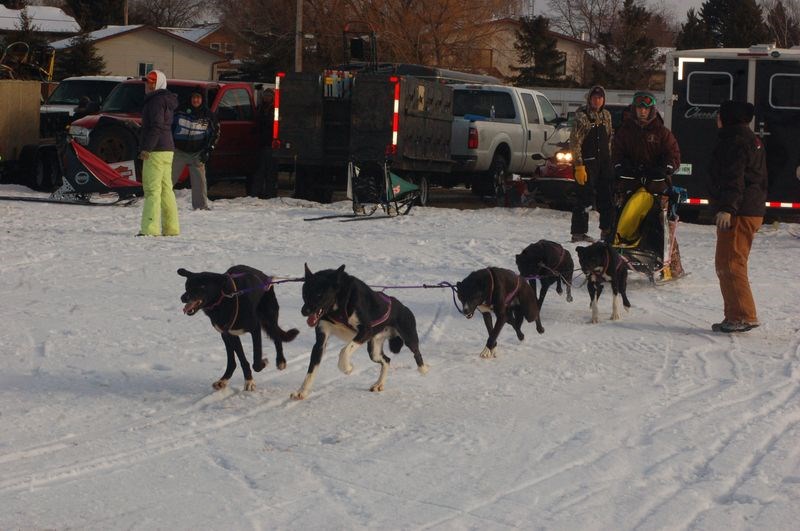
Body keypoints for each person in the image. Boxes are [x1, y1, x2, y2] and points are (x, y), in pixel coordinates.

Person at [709, 100, 767, 333]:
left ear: (728, 117)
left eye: (720, 115)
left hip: (740, 212)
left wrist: (728, 208)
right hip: (748, 209)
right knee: (725, 263)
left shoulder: (735, 141)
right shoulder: (747, 138)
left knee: (731, 264)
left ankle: (744, 315)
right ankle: (734, 314)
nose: (717, 119)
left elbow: (735, 177)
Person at [612, 91, 684, 278]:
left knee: (662, 225)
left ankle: (672, 266)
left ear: (651, 110)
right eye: (639, 108)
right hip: (630, 184)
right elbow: (616, 154)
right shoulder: (625, 132)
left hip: (657, 187)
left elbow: (674, 155)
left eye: (645, 108)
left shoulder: (662, 132)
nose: (642, 112)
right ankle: (613, 259)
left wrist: (665, 168)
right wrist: (622, 167)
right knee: (619, 221)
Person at [568, 85, 614, 242]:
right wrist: (578, 165)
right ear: (590, 99)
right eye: (595, 98)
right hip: (586, 164)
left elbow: (609, 139)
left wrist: (610, 160)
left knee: (606, 198)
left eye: (600, 98)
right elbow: (575, 142)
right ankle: (579, 233)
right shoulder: (582, 117)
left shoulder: (607, 116)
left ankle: (606, 231)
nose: (597, 101)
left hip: (604, 164)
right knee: (584, 199)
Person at [138, 70, 179, 236]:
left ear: (159, 83)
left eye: (152, 82)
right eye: (148, 81)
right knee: (166, 189)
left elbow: (156, 125)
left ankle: (150, 228)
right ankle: (171, 228)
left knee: (151, 190)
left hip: (156, 150)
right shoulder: (167, 100)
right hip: (167, 148)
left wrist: (147, 147)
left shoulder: (155, 101)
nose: (149, 85)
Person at [171, 87, 219, 209]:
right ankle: (159, 202)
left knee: (200, 182)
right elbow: (169, 128)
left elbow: (215, 134)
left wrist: (208, 150)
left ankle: (201, 207)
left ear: (202, 99)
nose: (196, 100)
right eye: (193, 97)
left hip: (198, 153)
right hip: (179, 151)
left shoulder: (208, 115)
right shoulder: (179, 112)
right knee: (168, 178)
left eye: (198, 98)